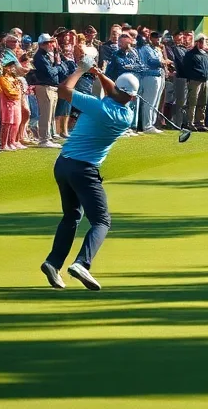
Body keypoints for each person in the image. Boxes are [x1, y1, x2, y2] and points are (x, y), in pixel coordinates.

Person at [40, 57, 140, 292]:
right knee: (102, 220)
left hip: (63, 165)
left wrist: (82, 69)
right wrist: (97, 73)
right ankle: (81, 264)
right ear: (133, 97)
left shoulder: (95, 105)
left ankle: (53, 263)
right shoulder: (128, 116)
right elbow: (115, 92)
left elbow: (64, 90)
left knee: (72, 216)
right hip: (84, 170)